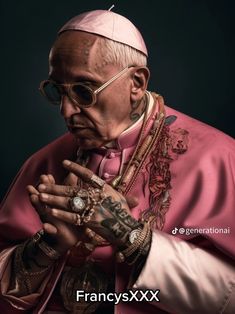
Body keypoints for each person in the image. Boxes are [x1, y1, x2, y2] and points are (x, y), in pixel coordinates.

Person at [0, 9, 234, 314]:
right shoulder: (45, 162)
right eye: (57, 91)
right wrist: (47, 246)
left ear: (136, 83)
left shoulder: (218, 158)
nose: (66, 112)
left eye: (84, 92)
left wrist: (130, 236)